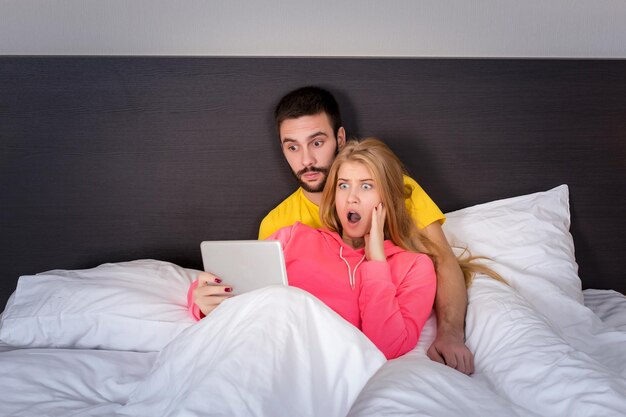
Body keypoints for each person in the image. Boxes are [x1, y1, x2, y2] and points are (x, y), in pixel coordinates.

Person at [257, 86, 476, 374]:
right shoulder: (282, 227)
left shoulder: (399, 192)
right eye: (292, 147)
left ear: (340, 139)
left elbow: (443, 260)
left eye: (317, 143)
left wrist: (450, 334)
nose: (306, 160)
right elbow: (257, 302)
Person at [189, 138, 437, 359]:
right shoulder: (292, 238)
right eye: (343, 185)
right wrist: (200, 301)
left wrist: (377, 264)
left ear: (388, 199)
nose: (351, 198)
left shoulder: (415, 267)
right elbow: (230, 281)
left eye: (366, 186)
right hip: (260, 353)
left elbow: (385, 348)